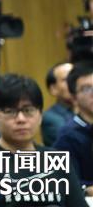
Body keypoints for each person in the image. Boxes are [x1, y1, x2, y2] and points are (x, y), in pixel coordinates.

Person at [0, 74, 87, 207]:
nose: (21, 119)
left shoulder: (58, 160)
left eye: (28, 110)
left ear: (40, 116)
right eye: (10, 111)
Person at [53, 62, 93, 196]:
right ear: (74, 98)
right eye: (86, 89)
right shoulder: (68, 135)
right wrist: (87, 189)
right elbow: (66, 182)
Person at [41, 61, 74, 146]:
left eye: (75, 78)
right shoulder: (50, 118)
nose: (74, 83)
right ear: (53, 89)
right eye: (66, 79)